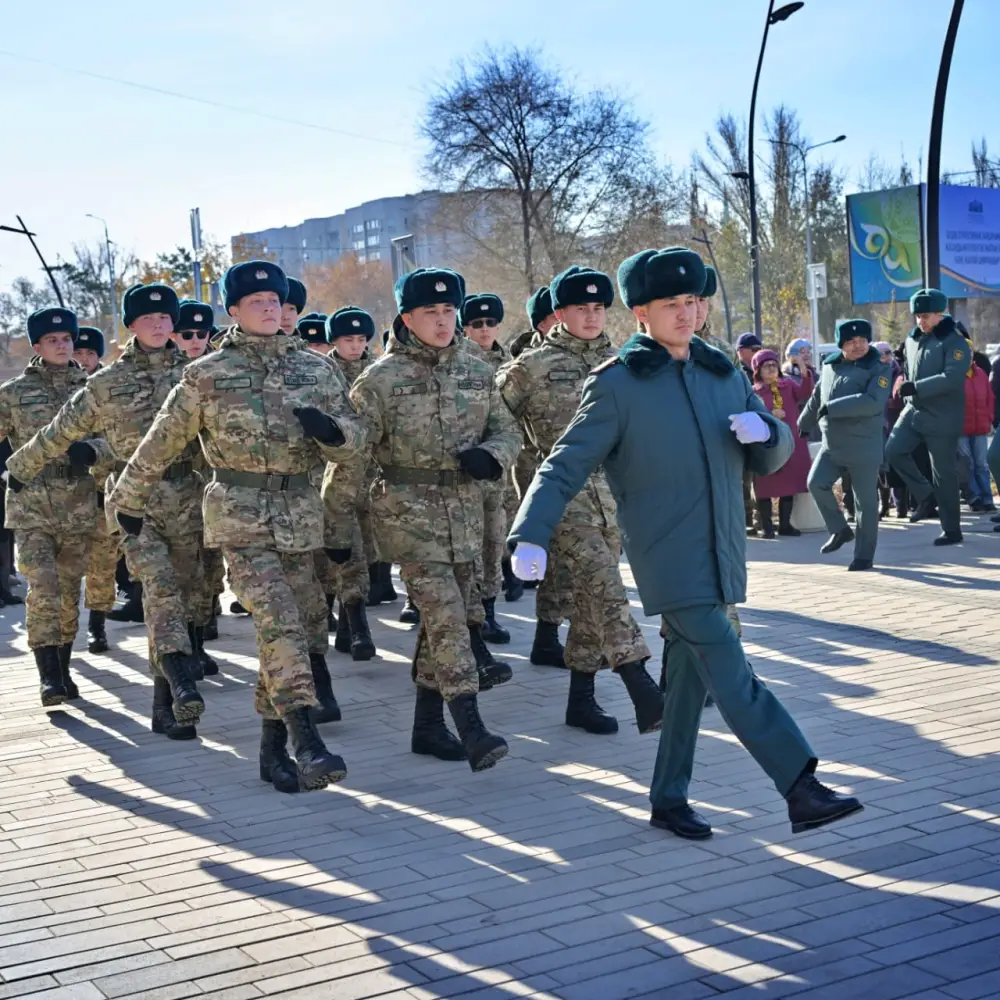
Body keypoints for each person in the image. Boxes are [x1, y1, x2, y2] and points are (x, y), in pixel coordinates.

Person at [509, 245, 863, 839]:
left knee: (687, 679)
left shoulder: (722, 372)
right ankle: (800, 786)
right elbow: (563, 465)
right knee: (732, 669)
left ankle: (668, 798)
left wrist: (767, 431)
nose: (686, 312)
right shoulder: (618, 384)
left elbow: (772, 453)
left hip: (723, 549)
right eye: (670, 303)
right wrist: (531, 533)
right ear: (641, 313)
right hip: (669, 558)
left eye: (693, 300)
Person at [110, 260, 365, 792]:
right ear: (234, 310)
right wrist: (127, 499)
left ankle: (271, 753)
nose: (269, 308)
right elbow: (160, 442)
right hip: (239, 518)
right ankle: (306, 740)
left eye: (274, 300)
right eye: (256, 302)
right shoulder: (207, 374)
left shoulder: (316, 370)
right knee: (278, 621)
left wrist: (333, 432)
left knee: (303, 626)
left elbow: (358, 439)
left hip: (298, 516)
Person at [323, 266, 521, 771]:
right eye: (429, 311)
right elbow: (353, 456)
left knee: (444, 622)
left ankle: (427, 727)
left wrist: (492, 455)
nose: (442, 320)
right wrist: (337, 525)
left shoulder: (478, 371)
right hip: (409, 518)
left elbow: (508, 431)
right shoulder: (380, 380)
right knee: (448, 618)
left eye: (449, 309)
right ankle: (471, 726)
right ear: (407, 319)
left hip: (465, 516)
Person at [8, 284, 209, 736]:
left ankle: (164, 705)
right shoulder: (106, 382)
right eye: (147, 318)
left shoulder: (199, 374)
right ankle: (180, 680)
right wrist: (20, 467)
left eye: (165, 317)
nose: (158, 324)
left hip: (186, 499)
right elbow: (60, 430)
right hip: (133, 502)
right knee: (159, 589)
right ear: (131, 325)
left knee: (184, 595)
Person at [498, 265, 663, 737]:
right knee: (605, 585)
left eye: (597, 307)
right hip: (562, 499)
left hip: (614, 500)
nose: (591, 316)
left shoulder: (624, 362)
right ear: (560, 313)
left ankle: (581, 700)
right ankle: (640, 682)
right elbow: (493, 424)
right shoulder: (530, 368)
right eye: (579, 308)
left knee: (590, 599)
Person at [1, 307, 104, 705]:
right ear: (37, 346)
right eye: (52, 340)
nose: (62, 346)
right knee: (43, 587)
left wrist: (93, 451)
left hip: (78, 504)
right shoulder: (14, 393)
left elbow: (117, 441)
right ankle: (48, 677)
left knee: (68, 593)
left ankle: (63, 667)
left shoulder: (94, 389)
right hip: (31, 505)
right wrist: (9, 472)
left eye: (66, 339)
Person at [799, 320, 891, 572]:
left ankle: (864, 556)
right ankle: (840, 530)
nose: (858, 345)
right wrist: (804, 422)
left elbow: (872, 401)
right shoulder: (830, 366)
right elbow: (817, 396)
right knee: (816, 483)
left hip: (863, 446)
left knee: (865, 504)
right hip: (833, 445)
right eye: (851, 341)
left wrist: (833, 408)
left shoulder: (879, 368)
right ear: (841, 345)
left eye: (863, 340)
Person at [509, 286, 568, 667]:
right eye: (551, 318)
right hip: (539, 472)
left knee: (568, 566)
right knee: (556, 560)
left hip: (584, 480)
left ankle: (549, 638)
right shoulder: (528, 366)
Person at [886, 288, 971, 545]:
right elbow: (909, 371)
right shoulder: (912, 340)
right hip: (914, 410)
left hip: (943, 415)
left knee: (943, 473)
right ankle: (926, 495)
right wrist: (904, 382)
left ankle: (952, 529)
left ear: (939, 313)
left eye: (926, 316)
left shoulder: (955, 341)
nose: (921, 321)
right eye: (918, 316)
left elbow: (952, 378)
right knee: (893, 451)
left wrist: (916, 387)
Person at [461, 292, 514, 643]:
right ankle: (468, 617)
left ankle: (489, 613)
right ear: (465, 328)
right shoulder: (458, 363)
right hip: (463, 470)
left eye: (490, 323)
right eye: (477, 323)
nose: (484, 329)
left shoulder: (511, 365)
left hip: (498, 471)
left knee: (494, 542)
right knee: (467, 549)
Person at [71, 325, 116, 653]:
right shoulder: (61, 388)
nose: (84, 359)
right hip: (65, 494)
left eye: (90, 353)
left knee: (103, 564)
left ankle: (97, 626)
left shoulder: (111, 386)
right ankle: (62, 631)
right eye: (79, 352)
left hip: (102, 490)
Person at [749, 349, 813, 538]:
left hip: (790, 441)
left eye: (774, 365)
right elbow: (750, 415)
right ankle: (767, 527)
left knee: (789, 483)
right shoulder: (753, 392)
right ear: (758, 371)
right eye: (766, 366)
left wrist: (803, 369)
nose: (771, 369)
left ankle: (785, 525)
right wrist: (770, 414)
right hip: (766, 445)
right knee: (764, 485)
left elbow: (805, 393)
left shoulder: (788, 385)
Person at [958, 328, 996, 513]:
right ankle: (974, 497)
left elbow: (990, 398)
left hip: (980, 427)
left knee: (982, 463)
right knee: (968, 464)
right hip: (961, 429)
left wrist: (989, 418)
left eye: (970, 352)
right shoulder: (954, 375)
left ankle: (988, 498)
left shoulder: (980, 373)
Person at [694, 266, 734, 362]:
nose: (697, 308)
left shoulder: (726, 352)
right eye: (689, 302)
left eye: (702, 300)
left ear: (709, 305)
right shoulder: (663, 352)